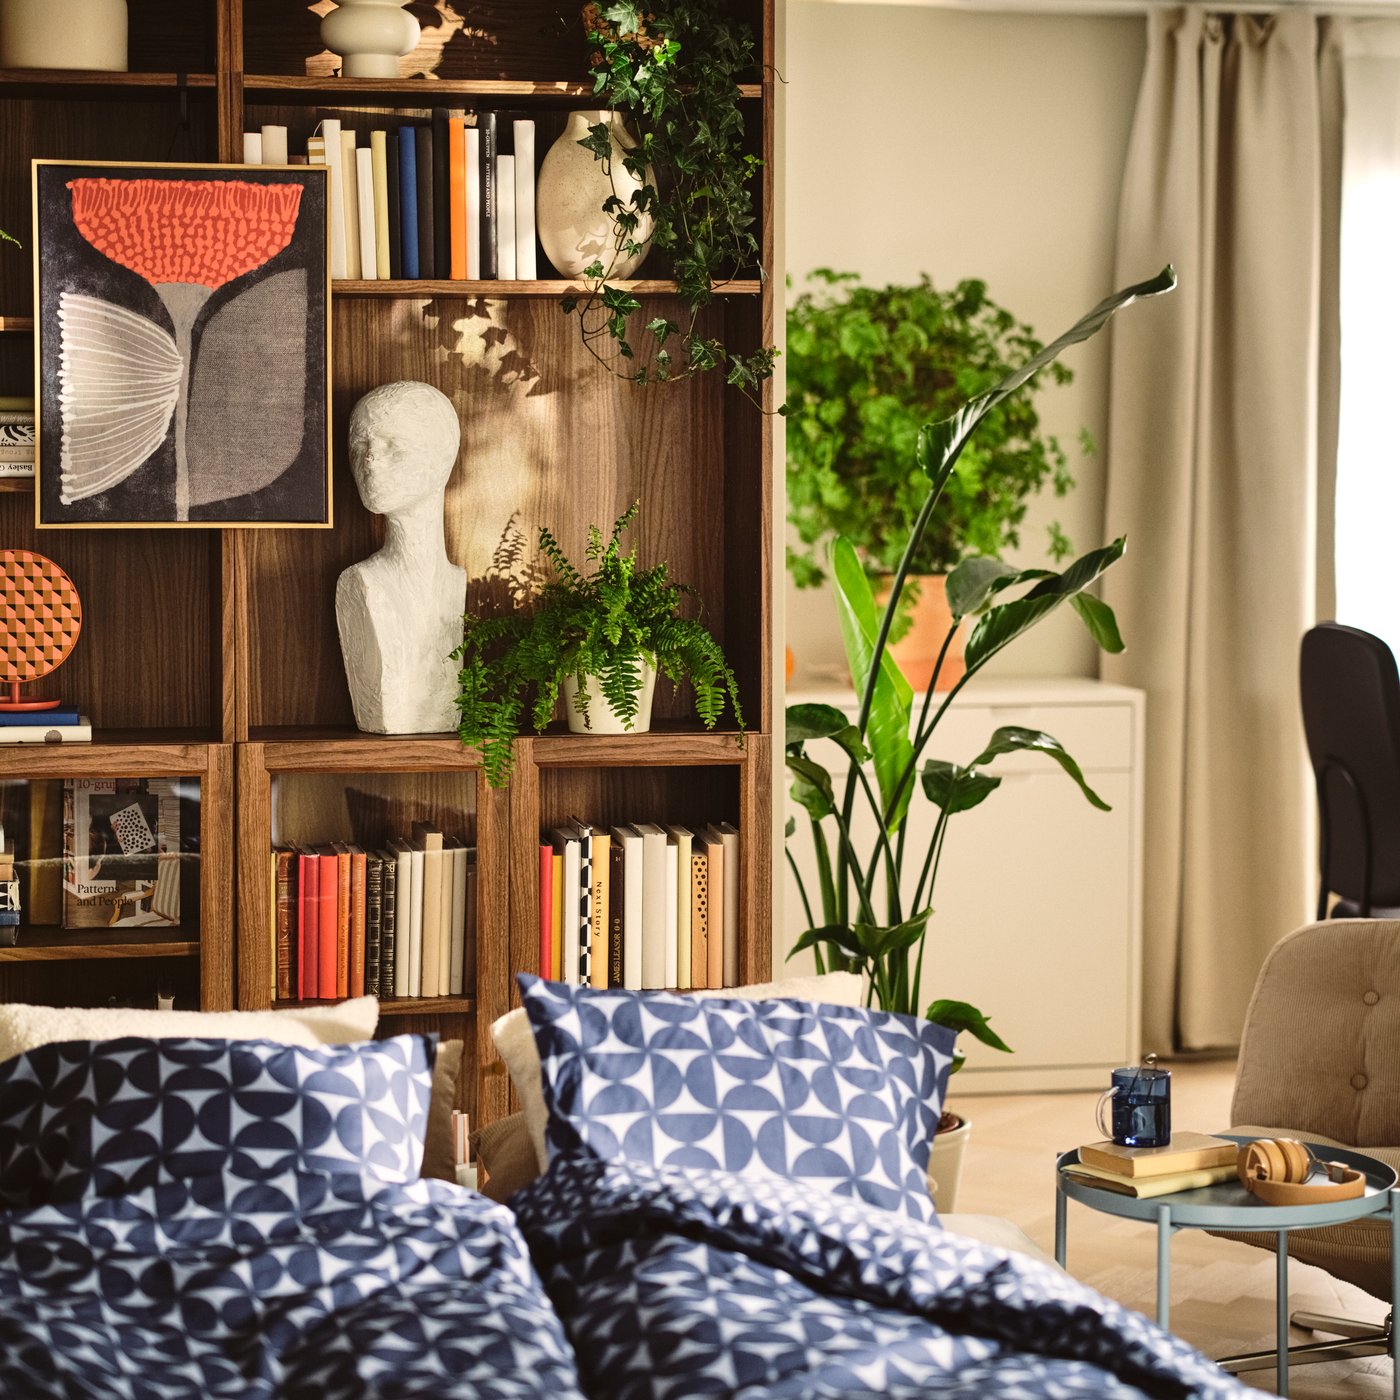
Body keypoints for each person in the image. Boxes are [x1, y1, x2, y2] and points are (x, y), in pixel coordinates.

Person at [335, 381, 466, 734]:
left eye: (394, 446)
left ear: (442, 456)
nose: (371, 459)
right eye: (360, 445)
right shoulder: (359, 584)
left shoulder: (458, 584)